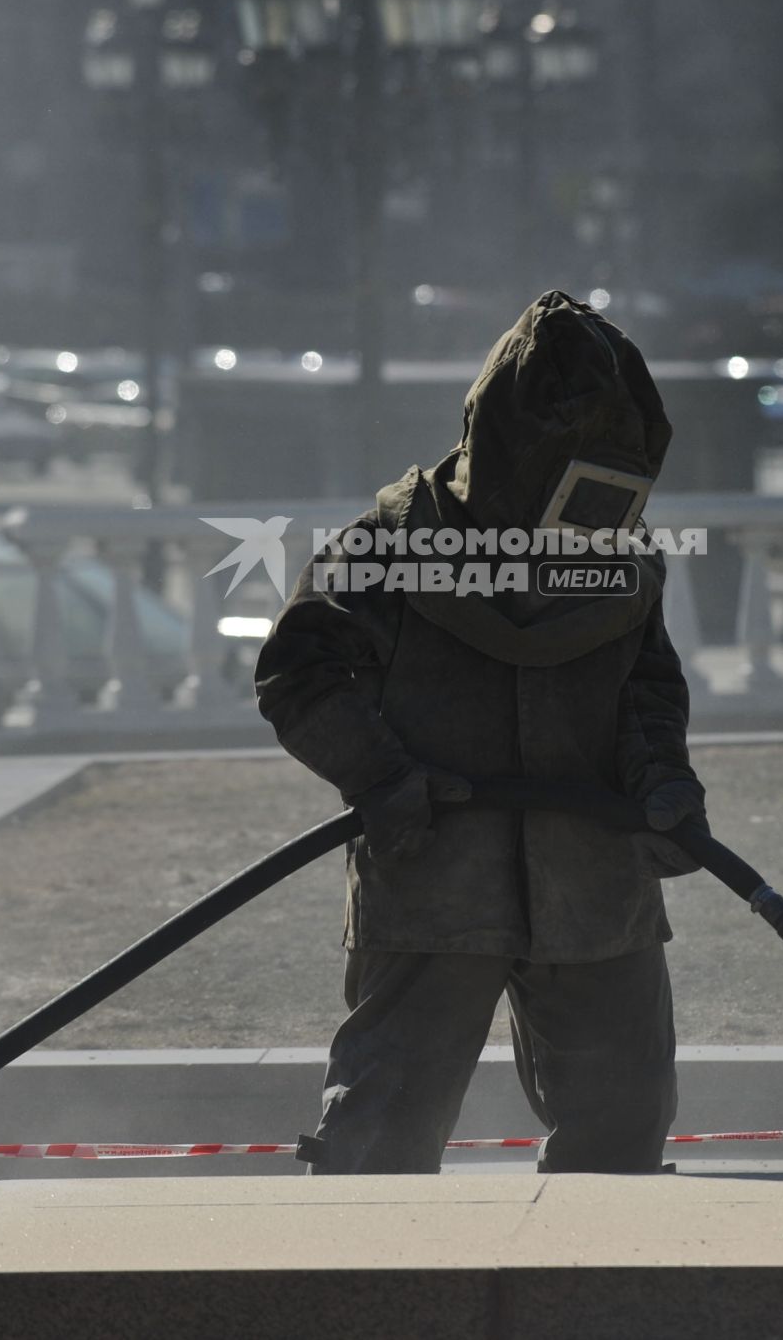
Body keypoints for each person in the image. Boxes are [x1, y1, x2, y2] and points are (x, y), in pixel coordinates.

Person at [254, 290, 708, 1175]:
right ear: (512, 453)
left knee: (623, 1128)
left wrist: (662, 776)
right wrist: (384, 780)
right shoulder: (385, 549)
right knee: (378, 1139)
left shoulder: (621, 564)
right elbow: (298, 672)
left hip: (592, 886)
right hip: (437, 884)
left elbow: (646, 683)